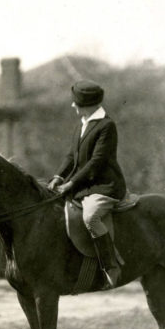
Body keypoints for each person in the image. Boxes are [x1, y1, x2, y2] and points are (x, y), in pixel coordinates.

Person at [48, 80, 127, 288]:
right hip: (84, 185)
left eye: (77, 103)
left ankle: (111, 265)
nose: (73, 106)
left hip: (104, 186)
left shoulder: (106, 126)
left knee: (90, 217)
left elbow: (96, 163)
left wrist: (70, 184)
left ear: (88, 104)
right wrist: (58, 177)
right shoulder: (82, 124)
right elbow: (71, 156)